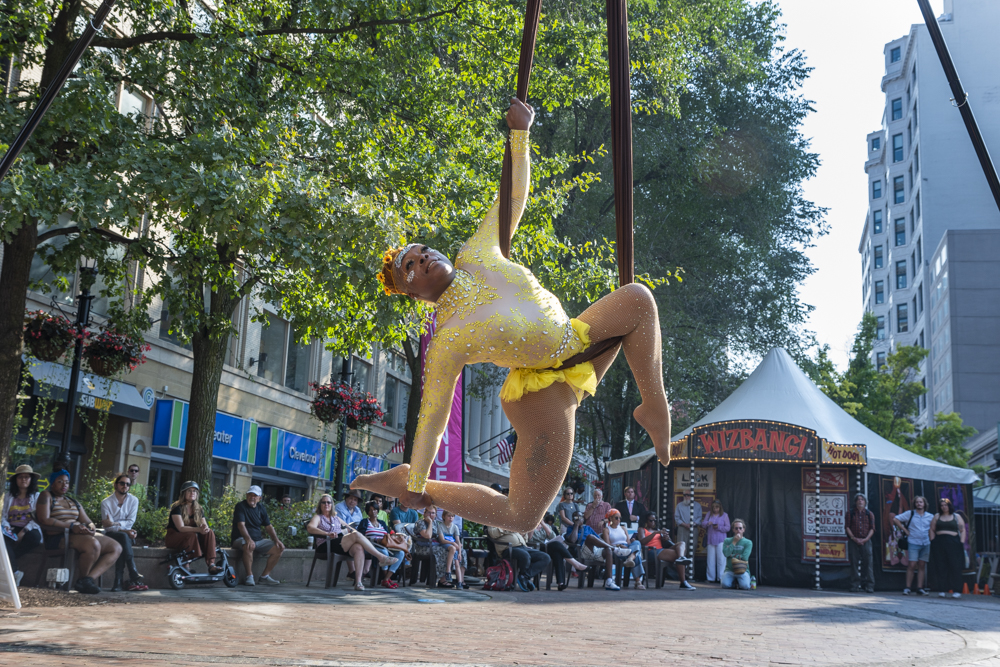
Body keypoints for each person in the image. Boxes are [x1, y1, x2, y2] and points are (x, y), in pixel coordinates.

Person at [350, 97, 673, 532]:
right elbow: (433, 417)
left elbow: (513, 197)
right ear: (412, 293)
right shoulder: (447, 338)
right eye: (410, 266)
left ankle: (654, 405)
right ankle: (408, 480)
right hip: (541, 393)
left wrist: (521, 134)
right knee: (522, 516)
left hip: (580, 340)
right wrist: (418, 476)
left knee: (638, 298)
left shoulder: (477, 252)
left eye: (423, 250)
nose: (423, 259)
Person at [36, 470, 121, 594]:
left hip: (79, 534)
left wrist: (91, 528)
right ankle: (83, 580)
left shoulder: (73, 501)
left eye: (66, 482)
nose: (64, 485)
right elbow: (44, 519)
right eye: (60, 481)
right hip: (59, 536)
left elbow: (88, 521)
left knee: (116, 547)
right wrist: (71, 526)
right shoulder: (46, 496)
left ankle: (87, 580)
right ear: (52, 483)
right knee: (93, 544)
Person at [306, 494, 398, 591]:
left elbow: (349, 528)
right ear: (320, 504)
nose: (326, 504)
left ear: (332, 504)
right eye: (323, 502)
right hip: (326, 544)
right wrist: (327, 533)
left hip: (340, 543)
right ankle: (381, 557)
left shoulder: (335, 517)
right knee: (356, 535)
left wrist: (348, 531)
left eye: (329, 502)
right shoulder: (318, 517)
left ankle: (358, 582)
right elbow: (310, 528)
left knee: (358, 547)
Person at [100, 472, 147, 591]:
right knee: (123, 537)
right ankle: (132, 571)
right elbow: (108, 528)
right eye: (122, 483)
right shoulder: (106, 503)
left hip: (124, 535)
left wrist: (115, 523)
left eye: (127, 484)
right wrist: (124, 529)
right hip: (111, 535)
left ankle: (118, 583)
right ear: (115, 485)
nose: (125, 486)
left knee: (122, 539)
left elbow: (130, 522)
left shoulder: (134, 500)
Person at [231, 485, 285, 586]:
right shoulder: (240, 506)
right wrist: (248, 540)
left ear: (259, 498)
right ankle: (249, 576)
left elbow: (268, 526)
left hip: (258, 540)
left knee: (279, 548)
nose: (252, 497)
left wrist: (277, 540)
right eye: (250, 494)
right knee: (248, 545)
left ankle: (264, 576)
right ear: (246, 495)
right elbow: (241, 525)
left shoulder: (261, 508)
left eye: (255, 495)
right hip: (240, 539)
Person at [164, 481, 222, 575]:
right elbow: (181, 528)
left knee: (209, 532)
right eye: (189, 491)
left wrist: (204, 528)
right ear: (184, 493)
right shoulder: (177, 508)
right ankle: (186, 566)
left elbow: (204, 525)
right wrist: (198, 530)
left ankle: (211, 565)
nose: (192, 493)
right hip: (174, 537)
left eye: (194, 491)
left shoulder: (199, 509)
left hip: (192, 536)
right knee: (191, 535)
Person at [565, 511, 628, 590]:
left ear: (583, 519)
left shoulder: (587, 528)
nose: (578, 519)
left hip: (594, 550)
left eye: (580, 517)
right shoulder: (570, 528)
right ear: (573, 519)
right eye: (576, 518)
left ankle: (609, 581)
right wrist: (576, 526)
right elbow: (572, 541)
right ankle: (614, 549)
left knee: (607, 550)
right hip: (581, 552)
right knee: (590, 537)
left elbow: (599, 540)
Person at [2, 464, 43, 586]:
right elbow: (4, 515)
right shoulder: (8, 496)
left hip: (29, 527)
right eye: (20, 477)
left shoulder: (37, 496)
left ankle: (8, 561)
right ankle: (15, 572)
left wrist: (23, 532)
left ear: (31, 480)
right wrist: (6, 526)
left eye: (27, 477)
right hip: (11, 527)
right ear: (16, 480)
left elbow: (37, 518)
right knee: (2, 541)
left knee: (34, 538)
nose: (23, 479)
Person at [635, 512, 695, 590]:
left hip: (661, 550)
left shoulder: (658, 530)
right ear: (646, 521)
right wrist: (655, 533)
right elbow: (642, 541)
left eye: (655, 520)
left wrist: (666, 538)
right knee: (678, 555)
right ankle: (683, 581)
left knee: (682, 543)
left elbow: (667, 542)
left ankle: (681, 558)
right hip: (652, 551)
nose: (653, 522)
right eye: (651, 520)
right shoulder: (642, 529)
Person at [487, 521, 551, 592]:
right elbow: (492, 534)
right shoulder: (494, 520)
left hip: (523, 547)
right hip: (508, 549)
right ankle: (523, 578)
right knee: (525, 555)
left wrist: (523, 532)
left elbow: (525, 538)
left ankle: (524, 577)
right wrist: (507, 528)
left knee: (545, 557)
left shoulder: (513, 520)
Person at [529, 513, 587, 591]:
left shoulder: (545, 526)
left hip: (546, 547)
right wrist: (533, 526)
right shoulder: (529, 527)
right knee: (557, 545)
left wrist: (542, 524)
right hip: (535, 549)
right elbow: (529, 538)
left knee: (557, 553)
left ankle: (561, 583)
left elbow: (552, 536)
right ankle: (576, 564)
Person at [357, 501, 404, 588]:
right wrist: (374, 539)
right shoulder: (364, 522)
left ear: (378, 511)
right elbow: (360, 536)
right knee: (384, 552)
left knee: (401, 553)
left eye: (375, 509)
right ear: (367, 512)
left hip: (385, 545)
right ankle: (386, 579)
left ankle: (386, 578)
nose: (373, 512)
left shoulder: (382, 523)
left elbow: (387, 534)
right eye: (370, 510)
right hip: (371, 545)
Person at [893, 495, 933, 595]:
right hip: (913, 542)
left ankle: (919, 588)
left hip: (925, 543)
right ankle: (907, 587)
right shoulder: (910, 514)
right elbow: (895, 519)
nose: (919, 504)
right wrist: (905, 530)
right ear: (915, 504)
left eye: (921, 502)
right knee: (912, 564)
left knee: (922, 565)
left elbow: (933, 527)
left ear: (924, 504)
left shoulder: (930, 516)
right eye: (917, 502)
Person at [930, 497, 966, 599]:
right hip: (939, 542)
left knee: (955, 566)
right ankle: (941, 590)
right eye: (941, 505)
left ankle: (957, 590)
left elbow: (962, 530)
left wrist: (961, 542)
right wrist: (933, 541)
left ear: (949, 506)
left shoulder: (956, 516)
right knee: (941, 566)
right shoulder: (937, 516)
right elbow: (932, 529)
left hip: (954, 542)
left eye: (945, 505)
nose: (943, 507)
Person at [411, 505, 453, 588]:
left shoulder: (436, 523)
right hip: (422, 548)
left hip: (433, 545)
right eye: (429, 513)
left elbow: (440, 536)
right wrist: (429, 522)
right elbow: (428, 536)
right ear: (424, 513)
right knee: (443, 551)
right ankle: (442, 579)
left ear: (436, 515)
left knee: (452, 550)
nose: (431, 515)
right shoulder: (421, 523)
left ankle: (456, 579)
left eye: (433, 513)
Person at [603, 509, 645, 590]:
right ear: (610, 518)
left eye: (620, 518)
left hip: (627, 548)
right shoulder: (607, 530)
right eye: (616, 518)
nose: (619, 520)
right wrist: (619, 545)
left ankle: (630, 558)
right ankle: (638, 581)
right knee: (636, 556)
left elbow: (628, 542)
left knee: (636, 542)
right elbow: (607, 545)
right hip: (616, 549)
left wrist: (629, 543)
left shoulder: (623, 528)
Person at [845, 493, 875, 594]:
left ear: (865, 502)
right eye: (858, 499)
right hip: (854, 540)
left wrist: (865, 539)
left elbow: (872, 529)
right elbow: (847, 527)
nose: (860, 501)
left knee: (868, 563)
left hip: (866, 540)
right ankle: (854, 585)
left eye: (862, 499)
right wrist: (853, 538)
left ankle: (869, 585)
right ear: (855, 502)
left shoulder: (869, 513)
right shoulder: (850, 513)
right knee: (853, 562)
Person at [436, 510, 468, 589]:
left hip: (454, 546)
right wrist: (453, 543)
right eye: (449, 516)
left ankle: (460, 582)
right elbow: (442, 540)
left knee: (457, 562)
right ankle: (448, 571)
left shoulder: (455, 527)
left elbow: (458, 541)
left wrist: (459, 553)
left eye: (452, 516)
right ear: (444, 517)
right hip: (445, 544)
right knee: (453, 548)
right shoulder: (440, 526)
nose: (451, 518)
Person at [701, 500, 730, 583]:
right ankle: (710, 578)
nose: (715, 509)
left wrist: (718, 527)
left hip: (721, 540)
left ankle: (721, 577)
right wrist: (707, 523)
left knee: (721, 559)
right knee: (710, 560)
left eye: (716, 507)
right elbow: (702, 524)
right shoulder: (709, 514)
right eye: (713, 507)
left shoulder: (725, 515)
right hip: (710, 539)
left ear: (720, 507)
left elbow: (727, 528)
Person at [721, 518, 753, 590]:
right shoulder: (727, 540)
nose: (738, 530)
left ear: (743, 529)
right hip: (730, 570)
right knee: (724, 585)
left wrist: (732, 555)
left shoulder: (748, 542)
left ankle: (745, 580)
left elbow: (745, 557)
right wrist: (734, 542)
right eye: (736, 528)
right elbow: (726, 554)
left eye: (740, 528)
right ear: (733, 530)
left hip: (742, 570)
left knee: (745, 587)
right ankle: (734, 582)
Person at [673, 490, 702, 562]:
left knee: (692, 551)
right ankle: (682, 572)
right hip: (682, 529)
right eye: (685, 495)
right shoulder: (679, 505)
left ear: (692, 496)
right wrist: (685, 524)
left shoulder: (697, 505)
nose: (686, 497)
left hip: (693, 529)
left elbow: (699, 517)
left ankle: (691, 571)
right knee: (682, 551)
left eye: (688, 495)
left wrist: (693, 524)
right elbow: (677, 518)